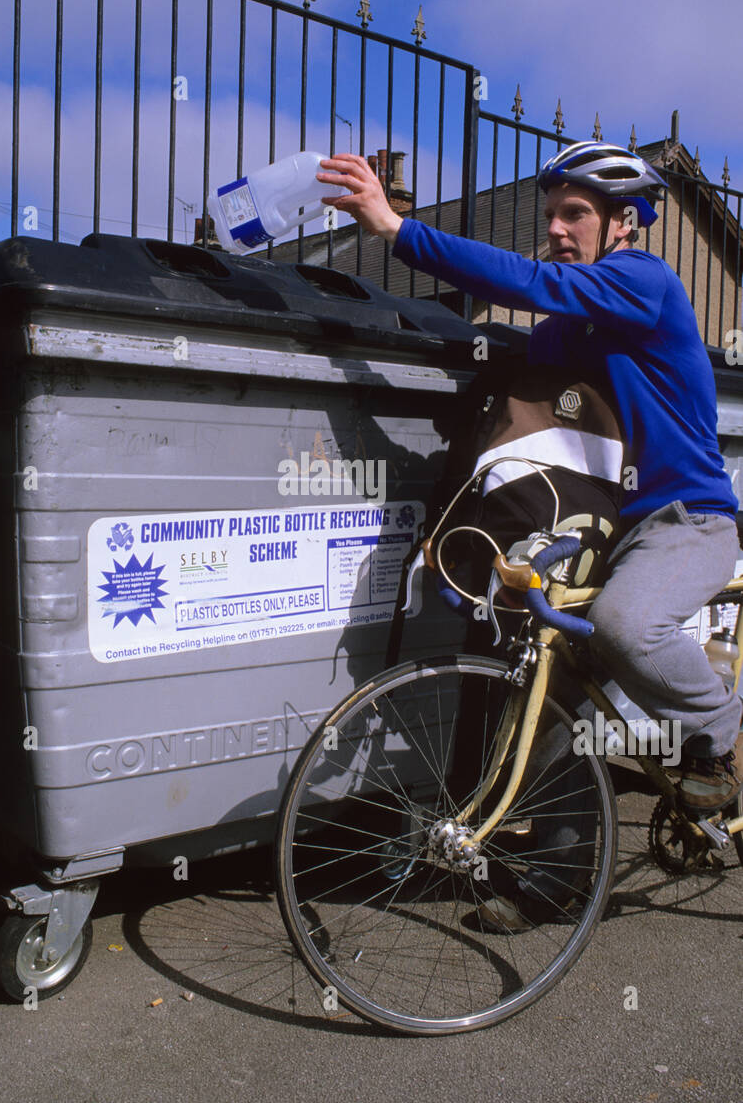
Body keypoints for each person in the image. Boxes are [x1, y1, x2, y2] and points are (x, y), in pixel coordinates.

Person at [316, 144, 743, 834]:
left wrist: (396, 230)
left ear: (624, 222)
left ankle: (716, 734)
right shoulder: (559, 334)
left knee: (624, 625)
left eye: (574, 213)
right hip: (598, 523)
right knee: (545, 682)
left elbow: (528, 282)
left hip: (682, 521)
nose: (554, 229)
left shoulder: (643, 280)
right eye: (549, 215)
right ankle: (550, 878)